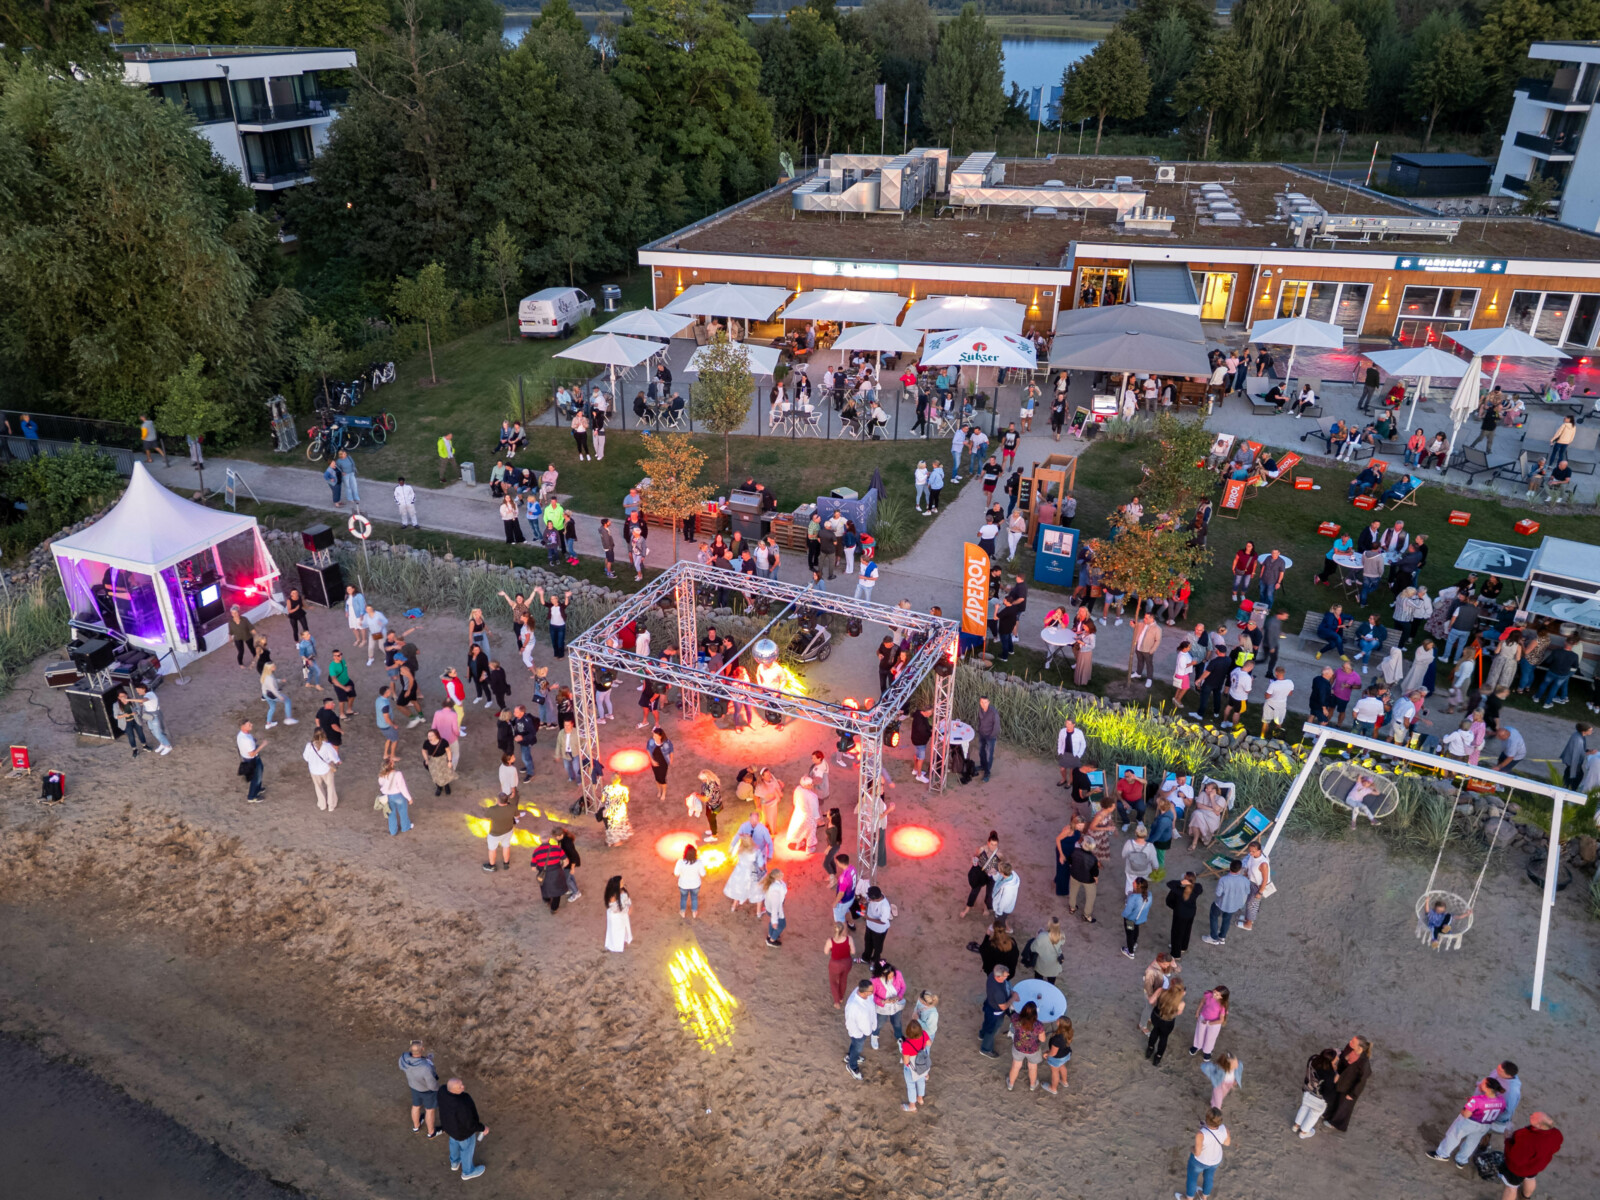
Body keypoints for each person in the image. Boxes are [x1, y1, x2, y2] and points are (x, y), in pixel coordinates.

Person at [1429, 1076, 1509, 1166]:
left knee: (1453, 1136)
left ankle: (1442, 1154)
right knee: (1471, 1143)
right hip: (1485, 1126)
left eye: (1483, 1083)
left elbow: (1466, 1114)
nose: (1480, 1084)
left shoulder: (1476, 1100)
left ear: (1488, 1088)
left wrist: (1465, 1108)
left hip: (1469, 1123)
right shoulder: (1501, 1100)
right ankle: (1461, 1160)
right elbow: (1498, 1109)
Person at [1499, 1112, 1563, 1200]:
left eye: (1535, 1117)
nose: (1532, 1115)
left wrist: (1507, 1139)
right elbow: (1556, 1148)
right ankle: (1525, 1197)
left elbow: (1515, 1159)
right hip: (1535, 1165)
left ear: (1539, 1125)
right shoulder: (1556, 1134)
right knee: (1530, 1178)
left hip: (1518, 1170)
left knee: (1511, 1188)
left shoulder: (1526, 1138)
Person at [435, 1077, 487, 1180]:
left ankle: (454, 1162)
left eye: (462, 1084)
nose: (463, 1087)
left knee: (453, 1142)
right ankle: (467, 1172)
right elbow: (470, 1124)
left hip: (449, 1127)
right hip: (463, 1133)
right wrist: (483, 1128)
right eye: (460, 1087)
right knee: (467, 1150)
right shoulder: (462, 1104)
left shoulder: (442, 1091)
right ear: (452, 1090)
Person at [1178, 1107, 1231, 1200]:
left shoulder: (1201, 1134)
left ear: (1207, 1119)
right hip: (1215, 1160)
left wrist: (1191, 1148)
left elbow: (1197, 1153)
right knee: (1209, 1178)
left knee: (1192, 1178)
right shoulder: (1224, 1128)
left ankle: (1189, 1198)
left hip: (1200, 1162)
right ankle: (1204, 1197)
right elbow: (1227, 1143)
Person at [1325, 1035, 1372, 1132]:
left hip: (1350, 1086)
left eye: (1353, 1042)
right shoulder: (1349, 1048)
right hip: (1342, 1081)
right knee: (1335, 1099)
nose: (1350, 1042)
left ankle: (1336, 1124)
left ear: (1359, 1047)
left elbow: (1362, 1080)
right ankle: (1328, 1115)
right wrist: (1338, 1073)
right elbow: (1342, 1059)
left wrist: (1352, 1094)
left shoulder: (1364, 1062)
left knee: (1344, 1105)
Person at [399, 1041, 440, 1137]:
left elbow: (407, 1064)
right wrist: (438, 1089)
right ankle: (431, 1132)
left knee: (416, 1106)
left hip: (414, 1087)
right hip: (427, 1091)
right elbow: (432, 1085)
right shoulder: (426, 1067)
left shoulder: (404, 1058)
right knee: (429, 1110)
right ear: (422, 1049)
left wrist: (425, 1059)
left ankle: (416, 1126)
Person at [1204, 858, 1249, 945]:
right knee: (1227, 920)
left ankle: (1213, 938)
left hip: (1221, 904)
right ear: (1240, 870)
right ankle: (1222, 937)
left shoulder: (1223, 879)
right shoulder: (1245, 880)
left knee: (1214, 917)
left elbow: (1218, 893)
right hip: (1233, 905)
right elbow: (1247, 891)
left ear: (1230, 867)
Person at [1006, 1000, 1045, 1092]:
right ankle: (1032, 1085)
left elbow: (1012, 1018)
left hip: (1018, 1047)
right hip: (1033, 1050)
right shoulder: (1038, 1025)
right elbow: (1042, 1039)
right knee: (1032, 1067)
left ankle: (1010, 1084)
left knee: (1015, 1066)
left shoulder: (1015, 1017)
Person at [1145, 979, 1186, 1066]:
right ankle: (1158, 1057)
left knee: (1154, 1031)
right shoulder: (1181, 1003)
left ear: (1171, 985)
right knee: (1164, 1038)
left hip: (1156, 1016)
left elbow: (1151, 1001)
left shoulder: (1161, 991)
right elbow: (1178, 1013)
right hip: (1168, 1022)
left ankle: (1150, 1049)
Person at [978, 964, 1014, 1058]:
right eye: (1005, 975)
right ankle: (985, 1049)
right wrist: (1013, 998)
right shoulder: (998, 992)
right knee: (992, 1030)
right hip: (996, 1013)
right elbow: (1003, 1007)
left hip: (989, 1006)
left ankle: (982, 1035)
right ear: (998, 977)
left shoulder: (992, 975)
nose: (1007, 976)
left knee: (987, 1022)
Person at [844, 979, 876, 1080]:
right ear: (865, 992)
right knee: (858, 1047)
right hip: (858, 1033)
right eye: (871, 991)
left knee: (855, 1046)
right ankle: (852, 1066)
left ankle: (850, 1056)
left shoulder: (866, 995)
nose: (873, 992)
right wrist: (861, 1034)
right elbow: (851, 1022)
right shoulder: (854, 1006)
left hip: (864, 1031)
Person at [1166, 872, 1202, 959]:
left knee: (1177, 933)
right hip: (1191, 913)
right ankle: (1183, 947)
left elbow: (1169, 884)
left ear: (1185, 880)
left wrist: (1180, 882)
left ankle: (1175, 954)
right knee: (1187, 930)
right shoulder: (1197, 888)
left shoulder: (1179, 891)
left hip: (1180, 914)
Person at [899, 1017, 932, 1112]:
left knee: (911, 1085)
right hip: (922, 1064)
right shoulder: (924, 1034)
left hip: (912, 1068)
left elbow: (906, 1062)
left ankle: (912, 1105)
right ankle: (920, 1098)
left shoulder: (906, 1044)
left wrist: (902, 1050)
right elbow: (929, 1043)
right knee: (921, 1081)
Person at [1190, 984, 1230, 1061]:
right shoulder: (1208, 995)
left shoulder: (1222, 1006)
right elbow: (1202, 1002)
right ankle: (1197, 1046)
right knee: (1199, 1032)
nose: (1214, 995)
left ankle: (1207, 1051)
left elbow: (1221, 1020)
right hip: (1203, 1017)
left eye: (1217, 995)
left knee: (1210, 1037)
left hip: (1214, 1023)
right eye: (1214, 992)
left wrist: (1209, 1023)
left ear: (1222, 997)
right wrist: (1197, 1012)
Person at [1068, 835, 1099, 922]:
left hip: (1074, 875)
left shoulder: (1075, 851)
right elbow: (1095, 873)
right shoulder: (1093, 859)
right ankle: (1086, 915)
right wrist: (1096, 880)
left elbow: (1070, 861)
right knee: (1090, 897)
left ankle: (1072, 907)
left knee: (1073, 891)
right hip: (1088, 880)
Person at [237, 719, 266, 802]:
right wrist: (262, 745)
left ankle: (258, 789)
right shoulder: (247, 740)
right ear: (243, 726)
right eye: (249, 724)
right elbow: (252, 754)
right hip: (252, 760)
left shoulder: (241, 734)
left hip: (246, 758)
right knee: (256, 778)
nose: (251, 725)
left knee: (259, 773)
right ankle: (252, 797)